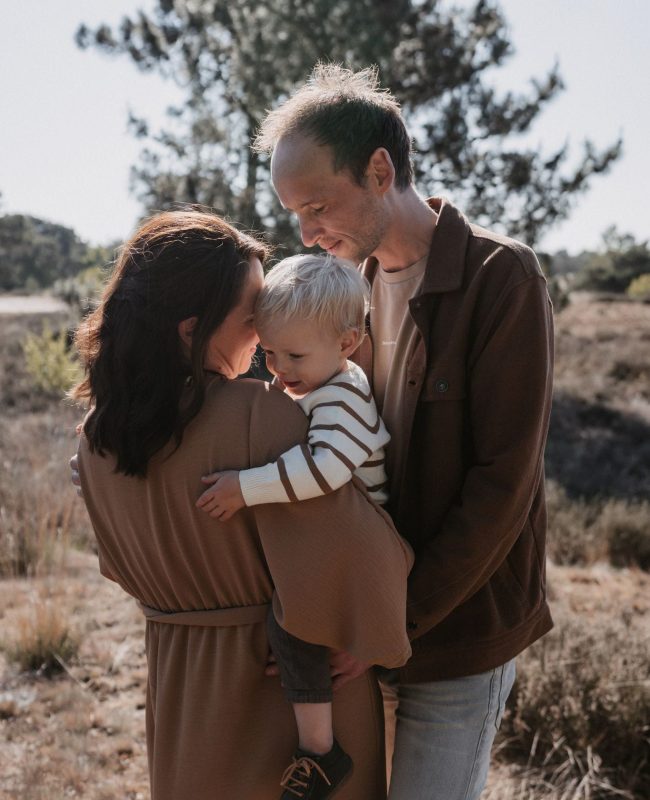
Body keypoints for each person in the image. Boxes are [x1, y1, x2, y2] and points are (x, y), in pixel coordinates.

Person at [253, 63, 555, 799]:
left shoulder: (499, 278)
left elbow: (501, 489)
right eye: (294, 213)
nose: (305, 229)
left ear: (380, 169)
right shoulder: (338, 297)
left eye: (318, 203)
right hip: (361, 626)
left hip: (453, 632)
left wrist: (394, 621)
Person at [71, 210, 414, 800]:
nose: (264, 333)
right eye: (252, 316)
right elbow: (364, 552)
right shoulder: (263, 416)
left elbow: (119, 567)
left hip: (182, 695)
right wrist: (371, 629)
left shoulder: (96, 443)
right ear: (191, 328)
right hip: (290, 699)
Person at [195, 253, 392, 794]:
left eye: (295, 355)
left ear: (348, 343)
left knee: (295, 622)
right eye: (271, 352)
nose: (279, 370)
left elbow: (326, 470)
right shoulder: (315, 384)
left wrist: (245, 486)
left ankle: (320, 750)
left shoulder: (343, 397)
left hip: (355, 547)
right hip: (332, 541)